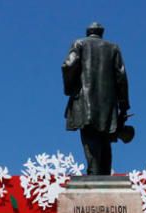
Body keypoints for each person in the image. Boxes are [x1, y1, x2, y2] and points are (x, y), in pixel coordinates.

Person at [61, 22, 131, 175]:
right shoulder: (113, 48)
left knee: (89, 137)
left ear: (88, 32)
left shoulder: (79, 44)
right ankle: (104, 173)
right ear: (102, 33)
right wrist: (124, 103)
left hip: (84, 101)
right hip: (108, 102)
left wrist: (71, 88)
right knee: (105, 139)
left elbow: (68, 65)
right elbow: (121, 77)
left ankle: (94, 172)